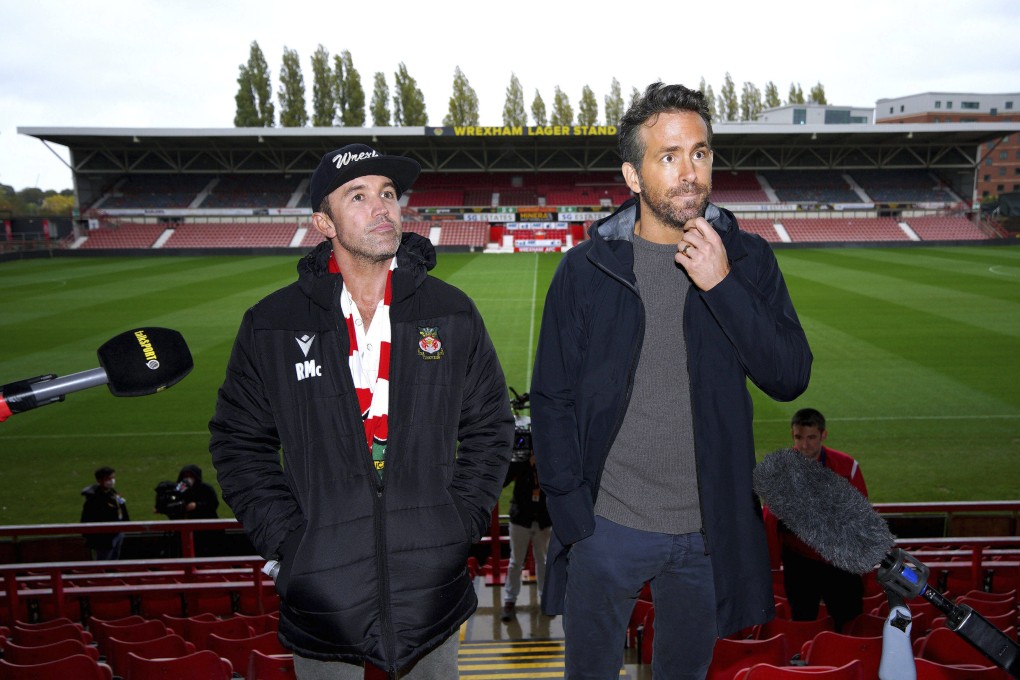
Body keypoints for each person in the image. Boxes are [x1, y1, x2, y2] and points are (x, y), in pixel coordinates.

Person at [530, 82, 813, 679]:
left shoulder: (748, 258)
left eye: (701, 153)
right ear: (632, 176)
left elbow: (789, 377)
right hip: (606, 529)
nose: (691, 173)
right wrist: (574, 518)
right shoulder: (585, 270)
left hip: (706, 535)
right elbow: (552, 398)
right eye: (669, 156)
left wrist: (722, 285)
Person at [208, 143, 513, 678]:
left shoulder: (451, 311)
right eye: (359, 195)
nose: (382, 208)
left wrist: (455, 525)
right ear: (323, 222)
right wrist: (289, 543)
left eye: (389, 194)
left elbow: (490, 426)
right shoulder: (272, 323)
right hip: (323, 595)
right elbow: (238, 443)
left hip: (431, 593)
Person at [765, 408, 868, 632]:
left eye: (811, 437)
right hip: (800, 561)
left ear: (823, 435)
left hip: (840, 560)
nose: (804, 445)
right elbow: (770, 521)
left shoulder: (846, 467)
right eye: (798, 437)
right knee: (803, 621)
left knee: (849, 620)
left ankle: (845, 661)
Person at [501, 452, 552, 622]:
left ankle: (545, 599)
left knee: (543, 561)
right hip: (521, 519)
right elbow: (504, 480)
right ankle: (509, 600)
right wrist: (524, 462)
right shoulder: (519, 461)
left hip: (543, 519)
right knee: (516, 561)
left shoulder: (550, 460)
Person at [80, 466, 129, 560]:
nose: (111, 481)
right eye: (108, 479)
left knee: (114, 560)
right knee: (102, 562)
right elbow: (87, 517)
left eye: (112, 478)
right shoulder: (94, 498)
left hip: (117, 532)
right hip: (104, 537)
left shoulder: (112, 492)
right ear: (99, 480)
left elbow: (120, 507)